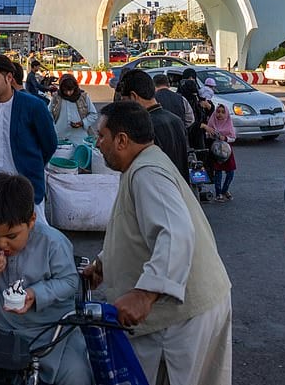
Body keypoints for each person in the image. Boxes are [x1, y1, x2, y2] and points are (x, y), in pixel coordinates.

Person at [83, 102, 232, 385]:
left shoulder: (147, 173)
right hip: (188, 309)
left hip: (182, 318)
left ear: (122, 140)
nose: (98, 143)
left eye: (101, 136)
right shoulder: (142, 166)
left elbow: (175, 232)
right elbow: (136, 228)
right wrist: (105, 263)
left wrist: (145, 294)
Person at [0, 174, 93, 385]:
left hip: (50, 334)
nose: (1, 244)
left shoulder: (53, 243)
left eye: (11, 236)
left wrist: (36, 294)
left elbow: (71, 282)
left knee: (78, 376)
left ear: (31, 221)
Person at [0, 55, 57, 223]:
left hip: (26, 188)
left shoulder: (33, 106)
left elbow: (49, 144)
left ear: (9, 78)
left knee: (35, 239)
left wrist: (33, 164)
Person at [116, 70, 188, 177]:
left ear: (133, 96)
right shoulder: (176, 120)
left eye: (124, 101)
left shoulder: (143, 127)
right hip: (179, 188)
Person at [202, 103, 237, 203]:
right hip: (216, 150)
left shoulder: (229, 123)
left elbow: (233, 138)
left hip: (227, 151)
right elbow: (206, 135)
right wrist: (210, 134)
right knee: (218, 172)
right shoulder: (212, 121)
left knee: (230, 172)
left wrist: (225, 138)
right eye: (218, 112)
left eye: (222, 112)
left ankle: (224, 190)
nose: (220, 114)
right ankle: (218, 194)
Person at [49, 74, 97, 145]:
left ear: (75, 87)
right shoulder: (56, 97)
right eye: (65, 91)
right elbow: (48, 113)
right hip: (60, 137)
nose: (68, 93)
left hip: (80, 138)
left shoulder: (83, 97)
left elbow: (93, 114)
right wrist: (53, 128)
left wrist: (82, 123)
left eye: (70, 90)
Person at [177, 68, 205, 149]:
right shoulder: (180, 98)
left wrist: (208, 107)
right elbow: (187, 120)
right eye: (188, 78)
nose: (191, 80)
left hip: (199, 135)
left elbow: (203, 113)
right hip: (187, 136)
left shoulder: (197, 94)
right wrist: (201, 125)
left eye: (193, 78)